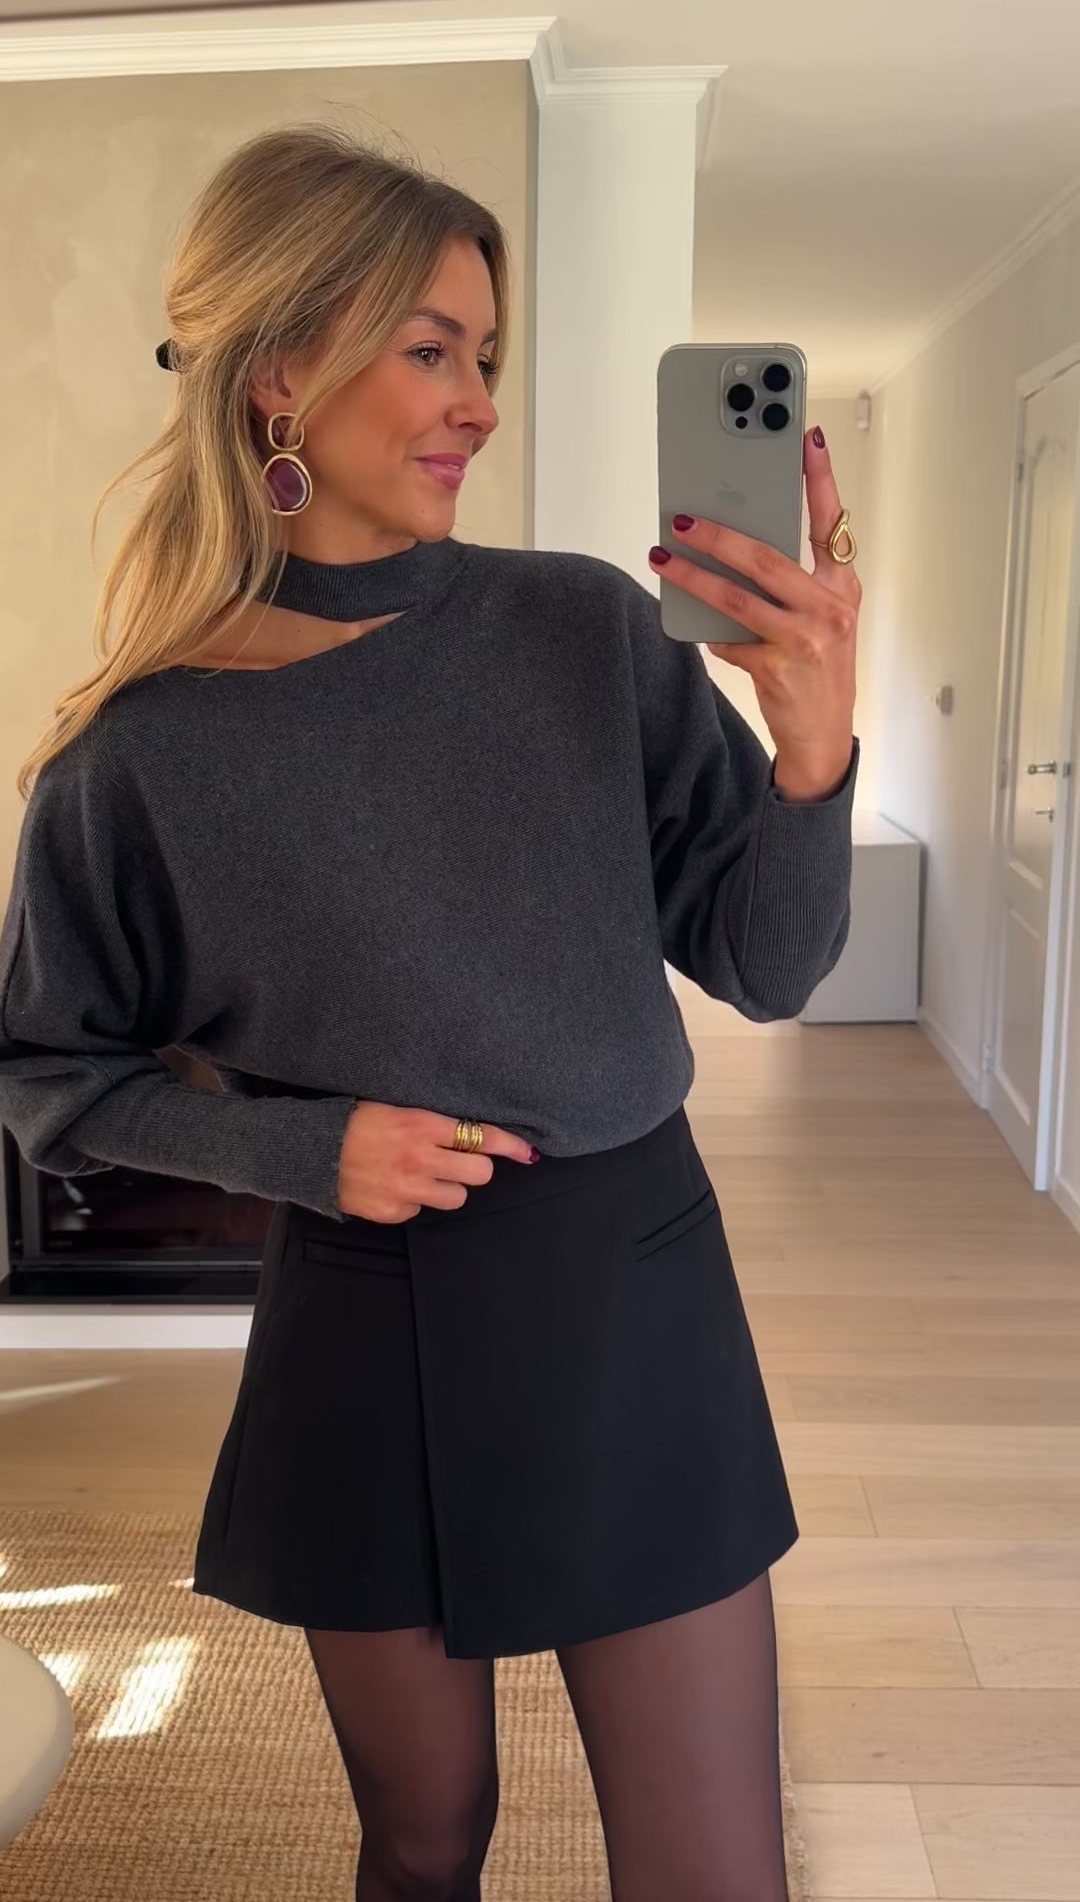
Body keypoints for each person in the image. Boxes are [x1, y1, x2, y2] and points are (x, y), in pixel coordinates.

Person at [0, 121, 861, 1902]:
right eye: (431, 349)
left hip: (631, 1290)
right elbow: (44, 1072)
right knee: (419, 1842)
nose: (480, 400)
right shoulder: (140, 756)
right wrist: (304, 1149)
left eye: (487, 353)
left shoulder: (584, 633)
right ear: (276, 370)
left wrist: (811, 749)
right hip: (362, 1317)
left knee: (713, 1872)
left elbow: (767, 967)